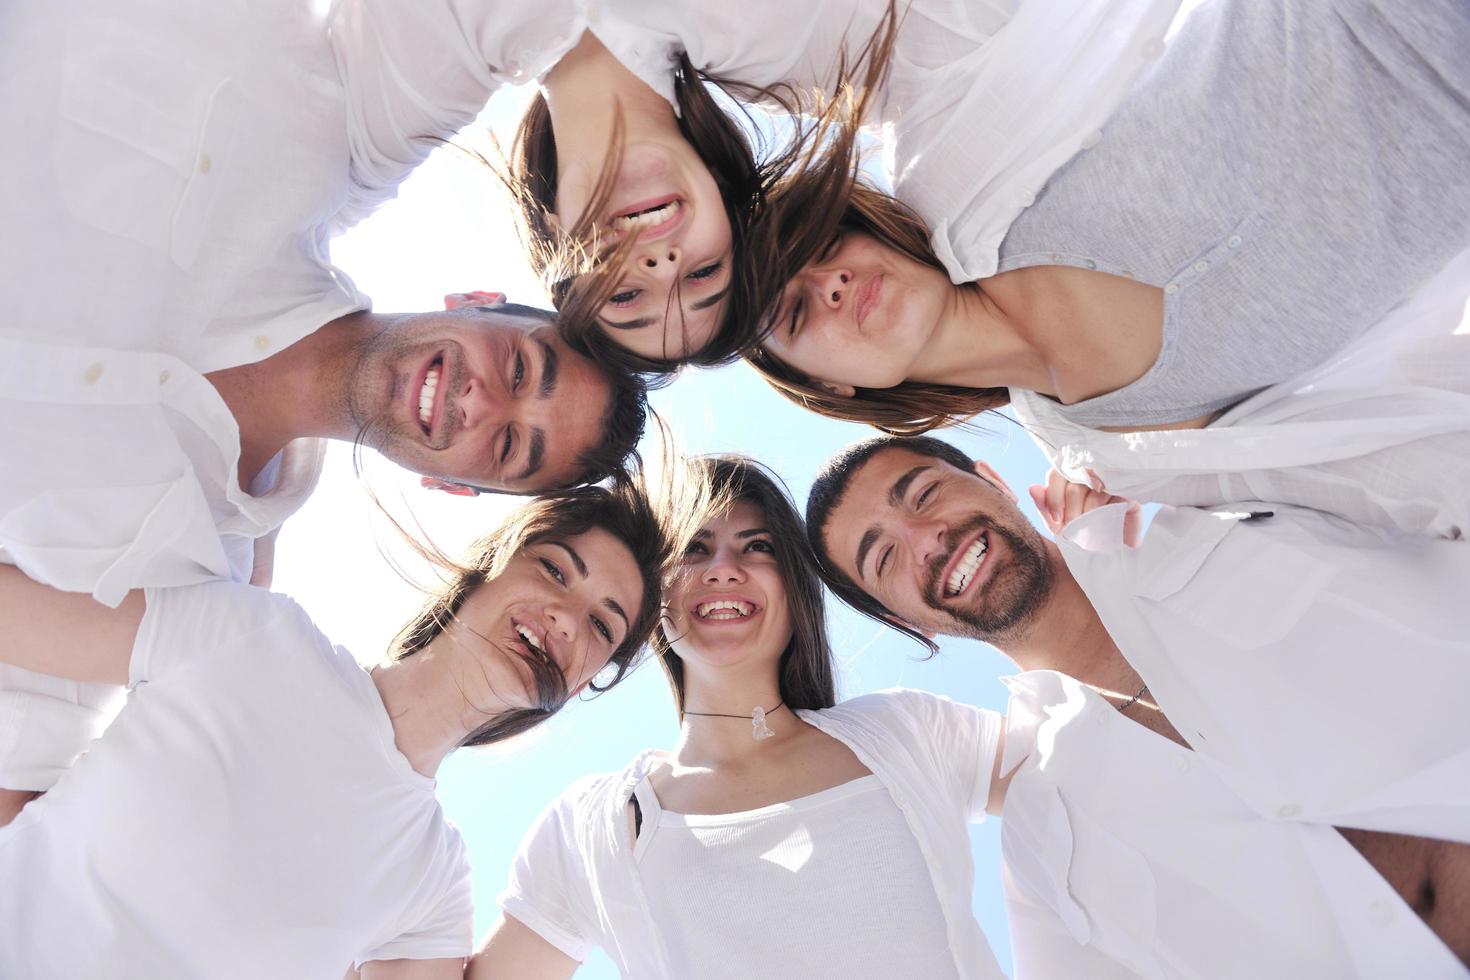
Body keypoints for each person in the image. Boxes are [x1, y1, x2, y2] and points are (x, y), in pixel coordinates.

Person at [0, 0, 647, 823]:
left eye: (510, 447)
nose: (483, 401)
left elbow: (20, 783)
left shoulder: (182, 581)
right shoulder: (324, 130)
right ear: (478, 298)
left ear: (453, 488)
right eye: (520, 365)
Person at [745, 0, 1470, 529]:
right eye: (797, 311)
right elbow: (1361, 457)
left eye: (821, 246)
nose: (829, 282)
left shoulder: (950, 146)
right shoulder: (1105, 451)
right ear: (830, 385)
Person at [807, 434, 1470, 974]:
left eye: (925, 494)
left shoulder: (1224, 527)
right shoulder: (1040, 843)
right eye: (886, 557)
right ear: (908, 621)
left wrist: (1154, 461)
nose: (927, 540)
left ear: (993, 479)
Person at [0, 478, 690, 979]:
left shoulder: (434, 887)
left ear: (583, 681)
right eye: (553, 570)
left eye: (602, 625)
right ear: (491, 563)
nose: (568, 618)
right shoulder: (254, 634)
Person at [411, 0, 1176, 371]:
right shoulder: (850, 65)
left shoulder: (429, 72)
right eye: (704, 275)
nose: (665, 267)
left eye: (626, 297)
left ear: (556, 244)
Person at [466, 456, 1007, 978]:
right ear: (653, 598)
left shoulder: (906, 731)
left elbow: (1083, 760)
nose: (723, 570)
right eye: (694, 550)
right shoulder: (592, 826)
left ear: (796, 591)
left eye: (758, 548)